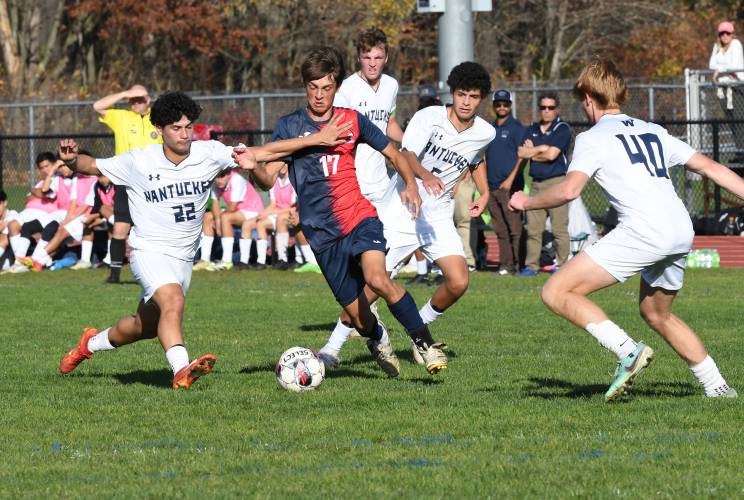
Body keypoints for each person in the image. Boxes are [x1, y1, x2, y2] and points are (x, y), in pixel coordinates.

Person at [57, 91, 352, 389]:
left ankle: (87, 345)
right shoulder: (139, 161)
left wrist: (317, 139)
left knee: (142, 326)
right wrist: (70, 160)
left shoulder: (208, 153)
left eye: (188, 127)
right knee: (173, 300)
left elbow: (263, 151)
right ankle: (181, 370)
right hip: (149, 251)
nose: (185, 134)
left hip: (184, 258)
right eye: (176, 128)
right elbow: (91, 165)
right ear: (159, 129)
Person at [509, 58, 741, 401]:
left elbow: (570, 190)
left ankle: (627, 351)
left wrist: (526, 201)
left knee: (556, 292)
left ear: (588, 97)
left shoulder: (593, 138)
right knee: (656, 312)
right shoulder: (652, 129)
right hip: (679, 228)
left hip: (645, 231)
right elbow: (708, 166)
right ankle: (717, 386)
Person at [236, 46, 448, 377]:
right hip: (321, 234)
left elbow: (395, 153)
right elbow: (265, 179)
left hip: (359, 217)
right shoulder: (289, 126)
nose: (319, 95)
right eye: (313, 87)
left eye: (326, 87)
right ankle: (378, 338)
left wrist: (410, 183)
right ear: (304, 86)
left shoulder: (351, 120)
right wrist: (253, 166)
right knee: (359, 316)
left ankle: (424, 343)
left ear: (336, 87)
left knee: (378, 278)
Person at [319, 61, 495, 368]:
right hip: (402, 208)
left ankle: (419, 333)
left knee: (459, 281)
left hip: (437, 215)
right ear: (452, 93)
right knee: (373, 285)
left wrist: (486, 192)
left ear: (482, 99)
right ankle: (331, 349)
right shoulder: (430, 117)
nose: (466, 101)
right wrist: (425, 176)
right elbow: (407, 155)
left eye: (474, 96)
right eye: (462, 94)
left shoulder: (485, 132)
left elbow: (477, 161)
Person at [94, 84, 162, 284]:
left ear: (148, 100)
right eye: (133, 100)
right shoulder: (121, 117)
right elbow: (98, 106)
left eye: (140, 99)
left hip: (153, 182)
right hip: (126, 180)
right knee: (120, 227)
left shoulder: (158, 119)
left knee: (153, 229)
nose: (136, 103)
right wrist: (124, 93)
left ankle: (155, 273)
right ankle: (114, 275)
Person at [516, 92, 572, 276]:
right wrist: (540, 148)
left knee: (559, 229)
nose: (546, 111)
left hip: (557, 183)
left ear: (557, 109)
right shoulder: (532, 128)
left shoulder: (562, 128)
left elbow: (552, 155)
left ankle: (563, 266)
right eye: (543, 107)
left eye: (550, 107)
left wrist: (534, 150)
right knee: (533, 229)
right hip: (536, 184)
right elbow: (521, 153)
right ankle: (531, 267)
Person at [485, 89, 527, 275]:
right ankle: (505, 265)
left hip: (510, 187)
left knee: (515, 229)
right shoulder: (488, 128)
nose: (502, 107)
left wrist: (510, 180)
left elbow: (523, 157)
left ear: (510, 105)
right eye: (498, 104)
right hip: (491, 186)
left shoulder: (517, 128)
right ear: (494, 105)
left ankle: (519, 265)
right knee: (500, 229)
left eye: (505, 104)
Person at [203, 169, 264, 271]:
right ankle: (205, 260)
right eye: (217, 177)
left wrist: (219, 221)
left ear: (229, 175)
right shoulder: (215, 183)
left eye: (222, 176)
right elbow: (215, 204)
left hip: (253, 212)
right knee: (207, 216)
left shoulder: (237, 180)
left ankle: (227, 261)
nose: (218, 180)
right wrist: (218, 223)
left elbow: (232, 207)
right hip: (237, 211)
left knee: (225, 218)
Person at [709, 21, 744, 162]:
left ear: (732, 34)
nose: (725, 36)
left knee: (739, 119)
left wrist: (720, 69)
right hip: (722, 89)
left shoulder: (736, 44)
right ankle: (739, 151)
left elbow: (734, 66)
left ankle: (742, 153)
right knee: (731, 121)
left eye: (727, 33)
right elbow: (711, 64)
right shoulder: (717, 46)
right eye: (722, 33)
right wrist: (723, 68)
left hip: (736, 87)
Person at [256, 165, 297, 269]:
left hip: (290, 214)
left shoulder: (293, 180)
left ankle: (282, 259)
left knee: (280, 219)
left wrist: (272, 212)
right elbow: (273, 204)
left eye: (285, 164)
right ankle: (261, 261)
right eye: (280, 164)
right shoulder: (275, 181)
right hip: (277, 213)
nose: (282, 167)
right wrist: (263, 213)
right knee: (260, 223)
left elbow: (292, 208)